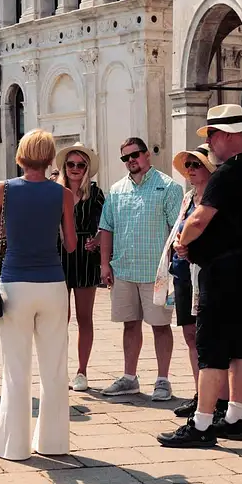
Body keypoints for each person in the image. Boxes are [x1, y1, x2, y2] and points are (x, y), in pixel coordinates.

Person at [159, 104, 242, 448]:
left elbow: (199, 219)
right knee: (239, 345)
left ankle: (202, 424)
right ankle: (235, 417)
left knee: (211, 346)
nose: (212, 142)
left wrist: (181, 242)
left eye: (214, 135)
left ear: (232, 135)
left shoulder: (227, 173)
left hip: (221, 270)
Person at [0, 129, 77, 461]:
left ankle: (13, 446)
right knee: (54, 369)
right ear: (51, 158)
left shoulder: (3, 190)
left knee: (16, 368)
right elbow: (72, 244)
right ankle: (53, 443)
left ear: (20, 155)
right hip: (52, 283)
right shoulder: (62, 194)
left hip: (15, 283)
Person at [98, 137, 183, 401]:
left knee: (160, 326)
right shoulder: (116, 190)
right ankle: (129, 377)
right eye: (125, 158)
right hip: (124, 269)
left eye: (134, 155)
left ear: (147, 155)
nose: (130, 161)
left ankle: (163, 380)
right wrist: (104, 264)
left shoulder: (168, 187)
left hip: (156, 271)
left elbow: (177, 230)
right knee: (129, 325)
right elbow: (106, 228)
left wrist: (174, 266)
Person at [168, 143, 216, 419]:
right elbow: (180, 228)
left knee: (204, 335)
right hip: (183, 273)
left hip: (204, 272)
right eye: (188, 165)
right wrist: (178, 245)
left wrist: (190, 246)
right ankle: (199, 393)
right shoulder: (188, 198)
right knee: (189, 335)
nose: (190, 170)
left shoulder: (213, 200)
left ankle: (211, 399)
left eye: (196, 164)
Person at [55, 142, 105, 392]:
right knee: (58, 318)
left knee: (84, 317)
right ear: (64, 166)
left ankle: (82, 371)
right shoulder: (54, 191)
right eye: (71, 164)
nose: (75, 168)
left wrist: (97, 241)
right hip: (58, 256)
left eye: (80, 165)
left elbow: (106, 224)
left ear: (87, 169)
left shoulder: (95, 194)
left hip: (86, 257)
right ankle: (58, 369)